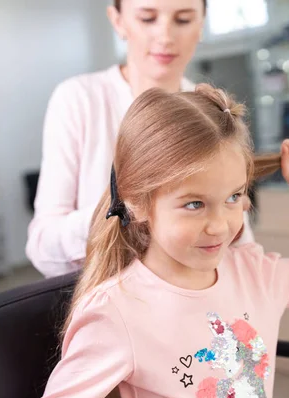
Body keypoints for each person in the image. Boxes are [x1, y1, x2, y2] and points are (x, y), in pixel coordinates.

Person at [40, 83, 289, 398]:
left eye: (233, 197)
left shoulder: (252, 272)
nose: (219, 227)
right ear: (137, 203)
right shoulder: (116, 312)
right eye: (194, 204)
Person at [25, 0, 257, 278]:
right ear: (118, 20)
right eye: (148, 18)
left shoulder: (215, 113)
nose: (166, 36)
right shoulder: (78, 100)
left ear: (202, 24)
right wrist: (125, 208)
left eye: (183, 20)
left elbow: (243, 250)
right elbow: (43, 249)